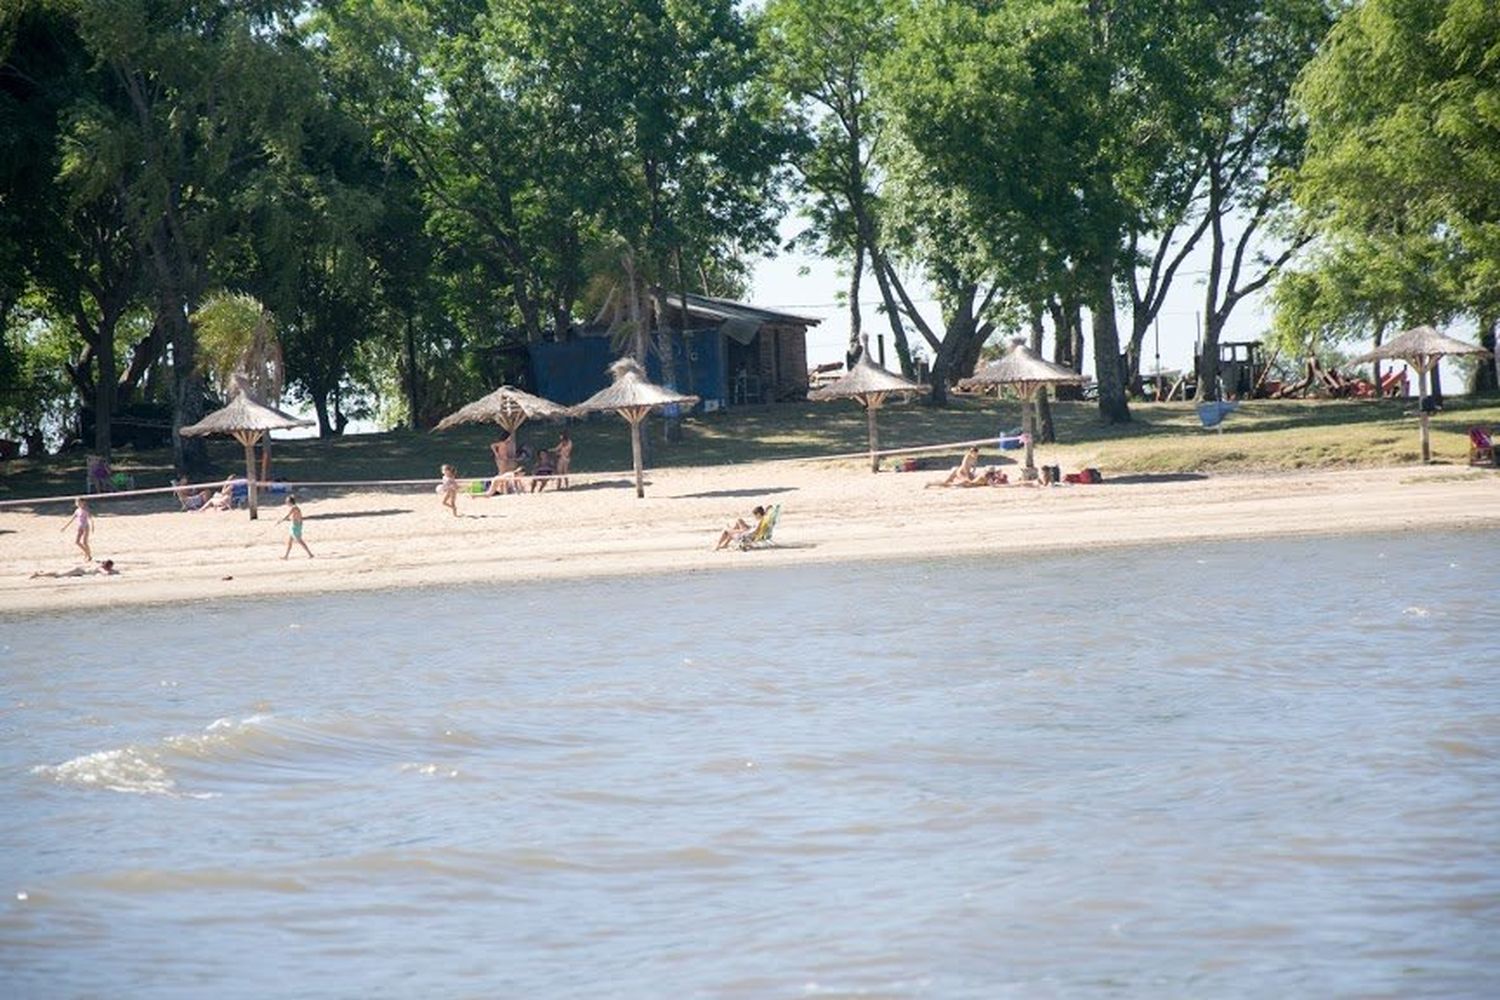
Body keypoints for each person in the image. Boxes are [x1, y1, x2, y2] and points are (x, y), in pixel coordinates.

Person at [32, 558, 118, 579]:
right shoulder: (100, 568)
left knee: (59, 573)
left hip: (79, 571)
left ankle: (42, 573)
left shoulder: (100, 566)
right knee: (58, 574)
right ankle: (39, 574)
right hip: (78, 571)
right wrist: (113, 572)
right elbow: (106, 574)